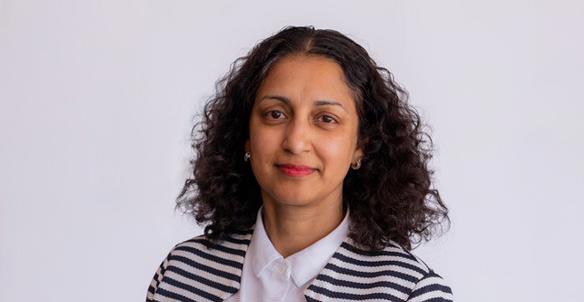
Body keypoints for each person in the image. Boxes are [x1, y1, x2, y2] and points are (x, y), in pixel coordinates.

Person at [146, 25, 453, 302]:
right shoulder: (179, 274)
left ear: (361, 146)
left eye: (326, 119)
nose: (295, 142)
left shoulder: (411, 292)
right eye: (275, 114)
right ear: (245, 136)